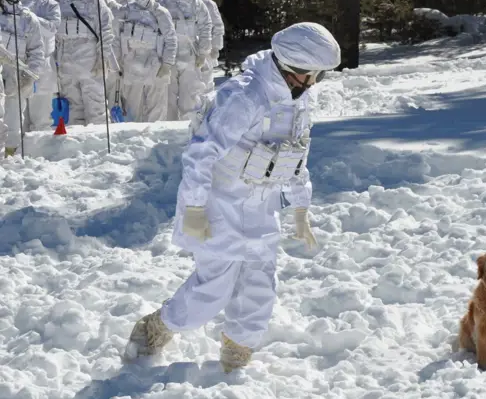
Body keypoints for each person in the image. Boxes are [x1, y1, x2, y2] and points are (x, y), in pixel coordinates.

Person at [127, 22, 340, 372]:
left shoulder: (299, 99)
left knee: (259, 288)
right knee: (212, 291)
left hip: (262, 205)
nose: (315, 82)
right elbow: (201, 154)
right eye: (312, 74)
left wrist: (300, 206)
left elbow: (295, 154)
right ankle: (155, 328)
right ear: (291, 67)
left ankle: (236, 354)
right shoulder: (244, 97)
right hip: (221, 204)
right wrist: (195, 207)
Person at [54, 0, 116, 126]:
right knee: (73, 110)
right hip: (67, 65)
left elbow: (106, 31)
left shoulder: (95, 1)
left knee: (96, 109)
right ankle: (77, 142)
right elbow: (53, 37)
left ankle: (99, 140)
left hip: (91, 63)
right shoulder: (56, 2)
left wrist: (102, 58)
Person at [113, 0, 176, 122]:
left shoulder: (161, 12)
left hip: (156, 66)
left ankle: (155, 135)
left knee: (157, 110)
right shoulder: (123, 12)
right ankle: (132, 136)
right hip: (131, 66)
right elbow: (115, 39)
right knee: (132, 110)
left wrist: (167, 64)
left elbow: (171, 39)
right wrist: (116, 64)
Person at [156, 0, 211, 121]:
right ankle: (169, 130)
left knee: (190, 98)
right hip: (168, 58)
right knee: (168, 98)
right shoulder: (160, 3)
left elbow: (206, 27)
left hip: (190, 56)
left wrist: (203, 52)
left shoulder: (196, 3)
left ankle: (189, 128)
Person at [0, 0, 44, 157]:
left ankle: (10, 156)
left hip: (18, 75)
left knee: (14, 120)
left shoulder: (29, 19)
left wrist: (29, 75)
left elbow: (37, 51)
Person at [15, 0, 59, 132]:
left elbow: (52, 28)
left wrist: (31, 18)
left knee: (41, 118)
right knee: (18, 117)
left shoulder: (49, 3)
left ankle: (40, 146)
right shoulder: (10, 2)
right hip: (16, 63)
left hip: (42, 65)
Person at [188, 0, 222, 95]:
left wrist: (216, 47)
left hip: (206, 46)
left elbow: (217, 26)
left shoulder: (209, 4)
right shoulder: (182, 2)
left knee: (206, 80)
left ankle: (207, 103)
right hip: (188, 47)